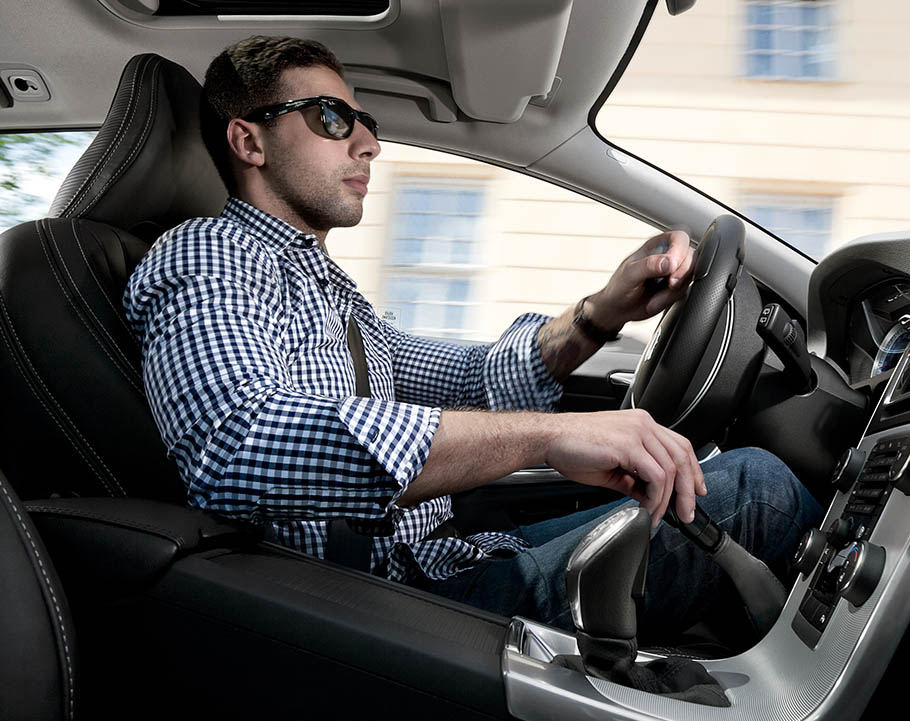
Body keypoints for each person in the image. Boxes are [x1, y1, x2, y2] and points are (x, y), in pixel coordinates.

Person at [124, 36, 822, 639]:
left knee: (720, 486)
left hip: (442, 560)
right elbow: (236, 440)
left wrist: (601, 311)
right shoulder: (210, 254)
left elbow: (473, 377)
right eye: (332, 117)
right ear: (249, 140)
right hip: (367, 604)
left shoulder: (332, 292)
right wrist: (544, 439)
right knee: (758, 490)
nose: (368, 142)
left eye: (363, 121)